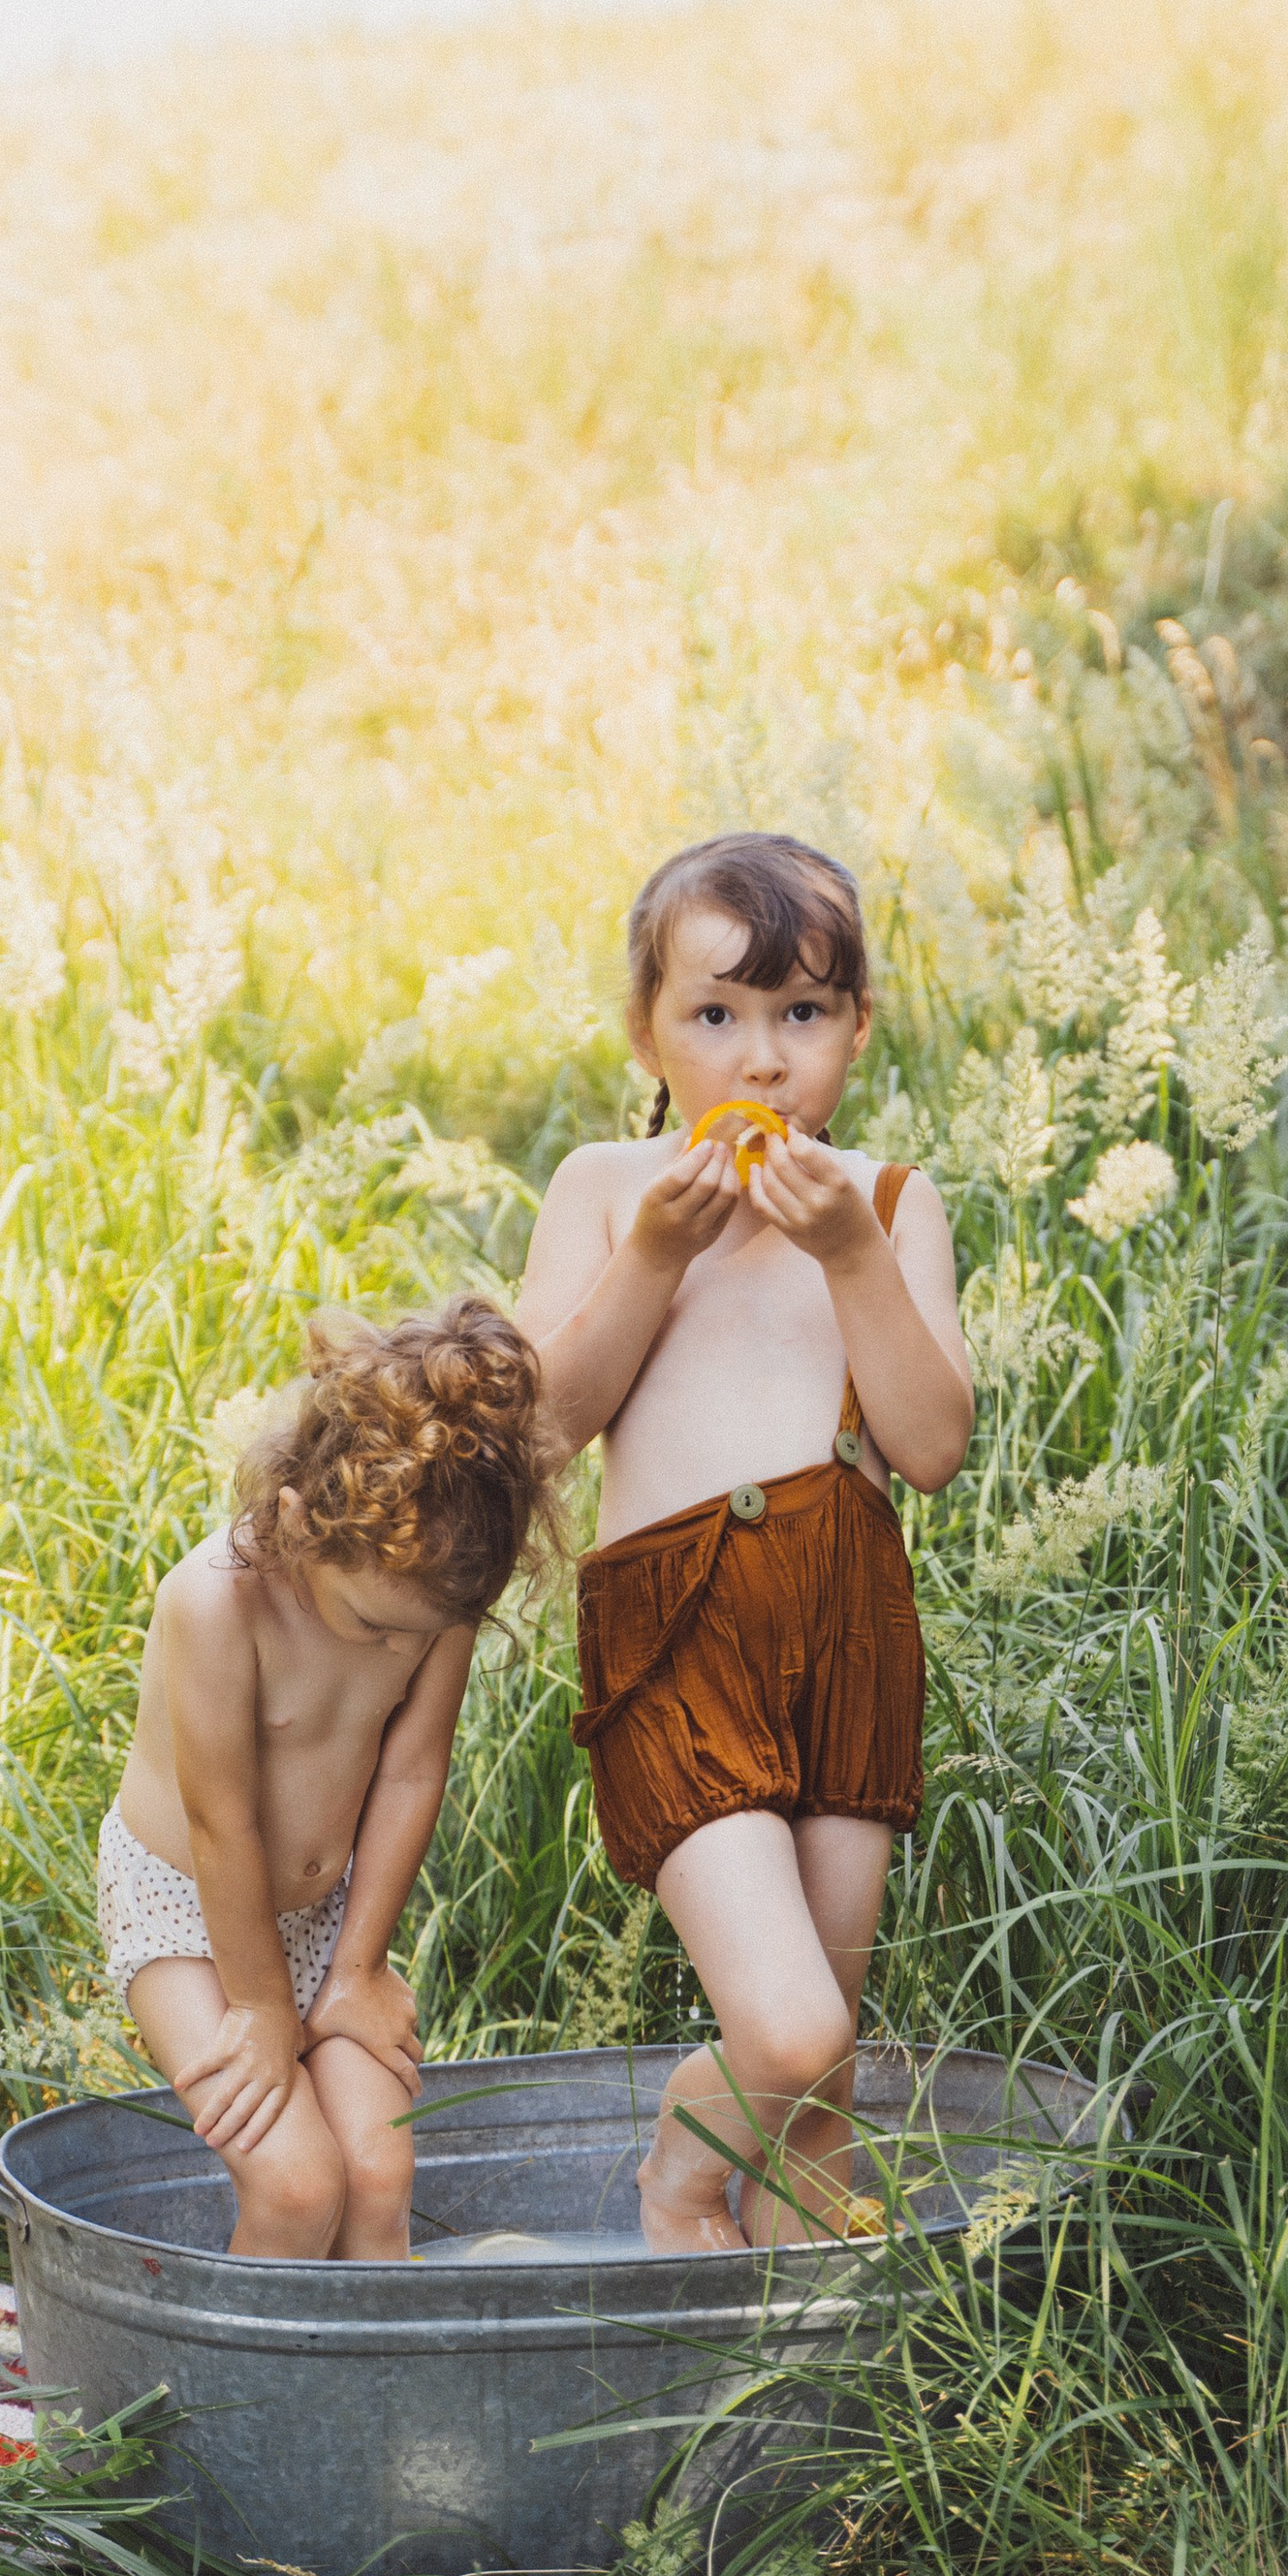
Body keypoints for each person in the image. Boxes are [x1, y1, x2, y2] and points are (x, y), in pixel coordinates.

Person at [518, 833, 974, 2250]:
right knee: (785, 2031)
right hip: (680, 1643)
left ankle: (793, 2438)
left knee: (819, 2110)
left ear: (857, 1030)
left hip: (846, 1641)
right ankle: (674, 2175)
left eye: (802, 1016)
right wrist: (654, 1254)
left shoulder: (888, 1206)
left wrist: (849, 1256)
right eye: (715, 1016)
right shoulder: (608, 1189)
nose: (760, 1061)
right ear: (647, 1030)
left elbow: (931, 1447)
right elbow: (542, 1427)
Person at [100, 1300, 552, 2260]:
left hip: (331, 1916)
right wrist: (263, 2010)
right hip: (187, 1911)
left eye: (420, 1635)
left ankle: (382, 2405)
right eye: (375, 1628)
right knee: (301, 2185)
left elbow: (409, 1770)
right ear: (303, 1523)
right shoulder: (215, 1603)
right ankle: (239, 2406)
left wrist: (356, 1968)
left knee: (377, 2175)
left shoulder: (437, 1590)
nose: (401, 1648)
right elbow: (219, 1824)